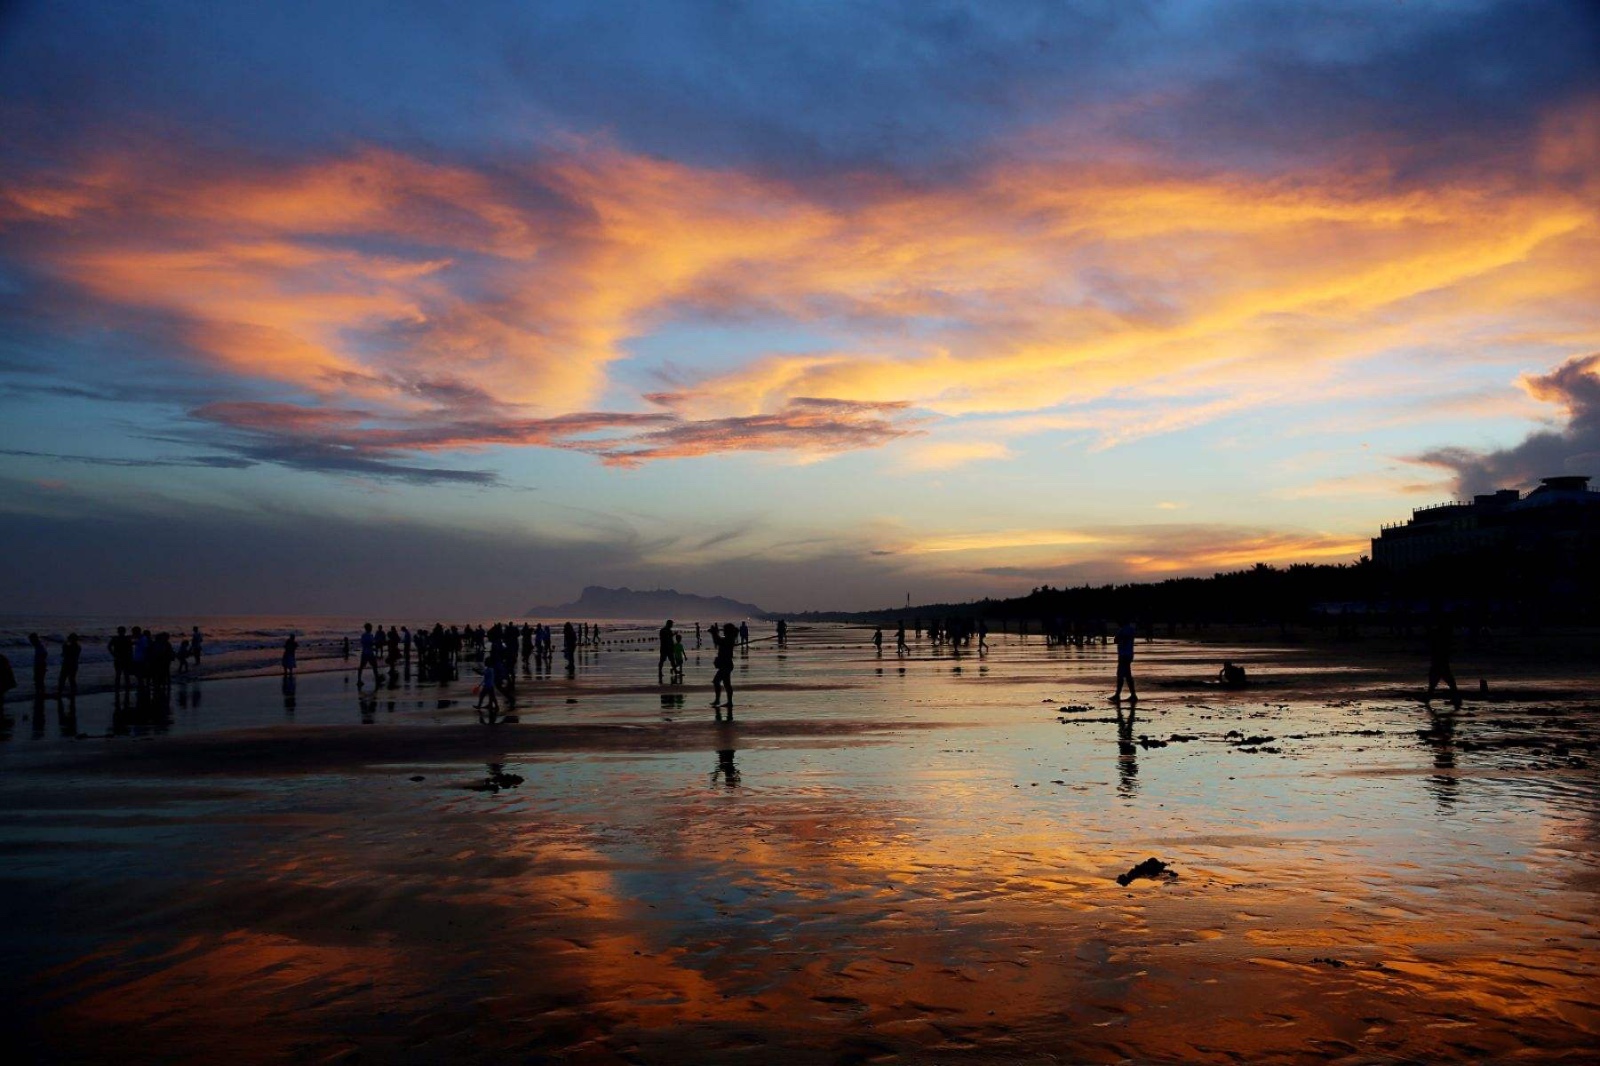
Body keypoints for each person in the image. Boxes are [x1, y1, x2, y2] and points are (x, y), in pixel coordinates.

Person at [1425, 613, 1460, 708]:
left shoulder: (1441, 634)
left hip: (1439, 659)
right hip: (1442, 658)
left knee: (1435, 679)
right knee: (1446, 679)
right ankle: (1456, 699)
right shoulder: (1445, 634)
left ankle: (1428, 698)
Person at [711, 622, 736, 711]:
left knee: (716, 681)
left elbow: (718, 641)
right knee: (726, 684)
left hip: (726, 665)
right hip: (726, 664)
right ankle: (728, 702)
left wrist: (714, 633)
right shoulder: (729, 638)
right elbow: (718, 641)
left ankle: (719, 700)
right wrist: (715, 633)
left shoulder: (729, 639)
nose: (724, 631)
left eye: (724, 629)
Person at [1112, 620, 1137, 702]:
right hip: (1129, 654)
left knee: (1120, 675)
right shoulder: (1131, 629)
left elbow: (1115, 640)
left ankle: (1118, 695)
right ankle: (1132, 695)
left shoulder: (1122, 630)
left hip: (1123, 655)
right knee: (1127, 675)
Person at [357, 623, 382, 688]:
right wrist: (376, 643)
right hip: (370, 653)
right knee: (374, 666)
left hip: (364, 652)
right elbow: (371, 643)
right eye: (371, 627)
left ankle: (359, 680)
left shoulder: (363, 635)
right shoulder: (370, 635)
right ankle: (377, 679)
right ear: (369, 628)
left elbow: (363, 643)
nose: (371, 628)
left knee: (361, 667)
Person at [57, 633, 81, 698]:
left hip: (67, 664)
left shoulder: (70, 647)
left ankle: (60, 693)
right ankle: (73, 692)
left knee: (62, 678)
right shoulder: (78, 647)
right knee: (71, 679)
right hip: (74, 664)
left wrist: (64, 646)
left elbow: (64, 654)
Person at [28, 633, 47, 698]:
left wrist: (41, 663)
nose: (30, 641)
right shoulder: (38, 646)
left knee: (39, 680)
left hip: (39, 665)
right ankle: (40, 693)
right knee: (38, 680)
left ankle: (40, 694)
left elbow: (44, 654)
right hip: (39, 665)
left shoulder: (39, 646)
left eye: (31, 640)